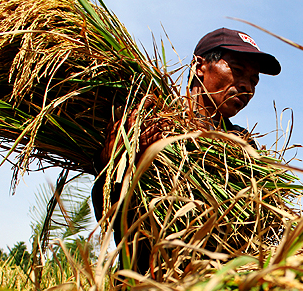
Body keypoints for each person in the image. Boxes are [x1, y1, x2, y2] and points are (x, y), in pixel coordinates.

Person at [91, 28, 281, 274]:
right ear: (200, 66)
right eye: (237, 70)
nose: (247, 86)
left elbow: (262, 224)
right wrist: (115, 162)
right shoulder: (151, 123)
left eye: (254, 80)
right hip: (147, 286)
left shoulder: (243, 145)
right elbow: (108, 214)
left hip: (219, 287)